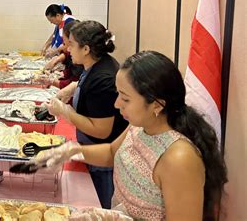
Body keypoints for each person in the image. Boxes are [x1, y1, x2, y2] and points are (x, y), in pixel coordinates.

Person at [37, 51, 228, 220]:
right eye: (118, 94)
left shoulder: (179, 159)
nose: (116, 104)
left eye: (125, 98)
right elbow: (112, 152)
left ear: (156, 105)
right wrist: (73, 151)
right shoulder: (140, 125)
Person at [44, 20, 128, 208]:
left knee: (98, 204)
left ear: (86, 49)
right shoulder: (95, 65)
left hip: (101, 156)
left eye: (71, 45)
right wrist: (72, 88)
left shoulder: (104, 79)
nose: (67, 49)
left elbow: (101, 131)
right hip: (90, 147)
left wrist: (65, 112)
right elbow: (85, 84)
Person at [44, 20, 83, 89]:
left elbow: (73, 82)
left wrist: (52, 81)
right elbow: (71, 70)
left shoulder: (80, 62)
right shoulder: (78, 55)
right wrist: (61, 73)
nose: (68, 50)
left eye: (64, 43)